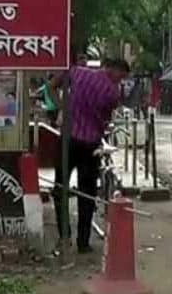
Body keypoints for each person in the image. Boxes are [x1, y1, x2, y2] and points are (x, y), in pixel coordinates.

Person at [48, 57, 130, 253]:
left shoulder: (78, 72)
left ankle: (64, 236)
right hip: (90, 145)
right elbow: (104, 120)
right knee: (87, 193)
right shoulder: (112, 93)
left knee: (60, 188)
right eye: (121, 77)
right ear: (113, 69)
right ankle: (82, 242)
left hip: (67, 140)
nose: (119, 81)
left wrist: (62, 107)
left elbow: (51, 86)